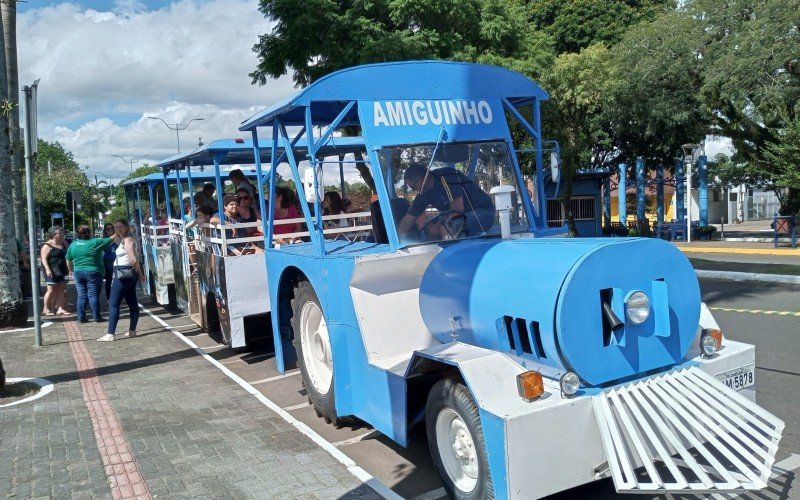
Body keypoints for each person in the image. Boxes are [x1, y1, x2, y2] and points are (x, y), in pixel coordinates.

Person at [398, 163, 495, 240]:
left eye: (413, 187)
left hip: (483, 212)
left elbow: (457, 209)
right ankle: (435, 257)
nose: (414, 190)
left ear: (421, 180)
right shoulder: (423, 193)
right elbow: (408, 220)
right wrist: (399, 239)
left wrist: (439, 224)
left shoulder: (446, 177)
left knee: (447, 227)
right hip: (462, 215)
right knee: (429, 227)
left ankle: (452, 260)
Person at [97, 219, 145, 342]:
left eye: (120, 227)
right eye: (116, 227)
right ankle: (132, 331)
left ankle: (110, 333)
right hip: (128, 273)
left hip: (124, 272)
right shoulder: (124, 239)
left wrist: (140, 273)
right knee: (131, 301)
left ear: (127, 228)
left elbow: (134, 259)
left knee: (113, 303)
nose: (118, 229)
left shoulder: (128, 240)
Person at [65, 225, 115, 323]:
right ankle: (97, 317)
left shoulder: (73, 244)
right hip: (94, 272)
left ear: (77, 234)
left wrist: (71, 270)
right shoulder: (95, 242)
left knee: (81, 295)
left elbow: (68, 259)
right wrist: (118, 229)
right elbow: (112, 239)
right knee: (93, 295)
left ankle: (81, 318)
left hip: (78, 272)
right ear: (90, 232)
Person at [40, 227, 70, 316]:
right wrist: (47, 269)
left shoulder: (64, 244)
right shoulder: (47, 245)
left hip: (63, 269)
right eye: (60, 233)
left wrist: (70, 269)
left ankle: (60, 308)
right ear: (54, 235)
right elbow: (44, 259)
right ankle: (46, 309)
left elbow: (68, 254)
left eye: (62, 232)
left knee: (62, 288)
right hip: (52, 269)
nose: (62, 234)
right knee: (51, 289)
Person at [101, 223, 119, 301]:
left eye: (112, 228)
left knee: (119, 279)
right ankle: (109, 298)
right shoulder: (103, 240)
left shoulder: (118, 238)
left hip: (118, 261)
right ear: (105, 230)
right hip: (108, 261)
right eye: (108, 229)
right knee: (109, 280)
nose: (111, 230)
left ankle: (120, 297)